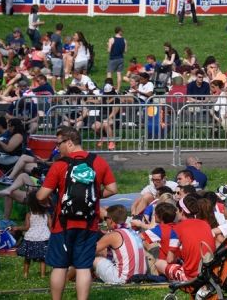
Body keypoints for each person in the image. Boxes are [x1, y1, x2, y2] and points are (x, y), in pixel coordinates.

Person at [35, 127, 118, 300]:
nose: (57, 149)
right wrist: (96, 195)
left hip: (62, 225)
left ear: (69, 142)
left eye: (59, 144)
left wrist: (47, 200)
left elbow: (41, 195)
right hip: (89, 225)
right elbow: (113, 188)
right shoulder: (98, 162)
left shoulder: (59, 165)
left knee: (59, 266)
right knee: (83, 267)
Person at [92, 204, 147, 284]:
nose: (105, 221)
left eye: (106, 218)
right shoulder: (132, 231)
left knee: (94, 259)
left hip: (123, 279)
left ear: (110, 220)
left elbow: (91, 250)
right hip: (141, 276)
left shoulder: (113, 235)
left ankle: (75, 276)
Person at [15, 190, 51, 278]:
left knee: (27, 257)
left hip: (31, 238)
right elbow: (51, 227)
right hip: (43, 238)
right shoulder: (47, 214)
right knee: (43, 258)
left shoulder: (29, 214)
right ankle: (42, 275)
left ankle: (25, 274)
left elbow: (26, 227)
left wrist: (17, 228)